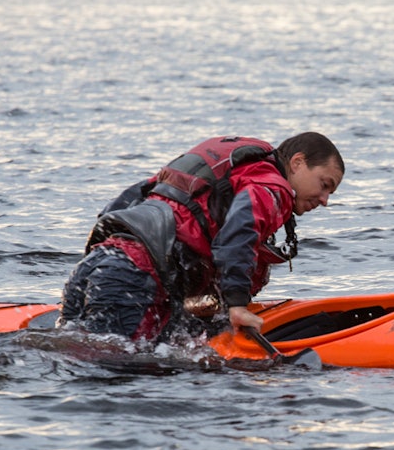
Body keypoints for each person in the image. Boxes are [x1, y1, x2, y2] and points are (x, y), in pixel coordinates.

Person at [59, 132, 344, 342]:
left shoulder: (234, 166)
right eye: (324, 185)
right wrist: (237, 305)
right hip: (133, 280)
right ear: (297, 163)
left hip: (96, 266)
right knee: (120, 375)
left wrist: (97, 267)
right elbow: (240, 232)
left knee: (73, 351)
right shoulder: (273, 187)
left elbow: (129, 200)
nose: (324, 200)